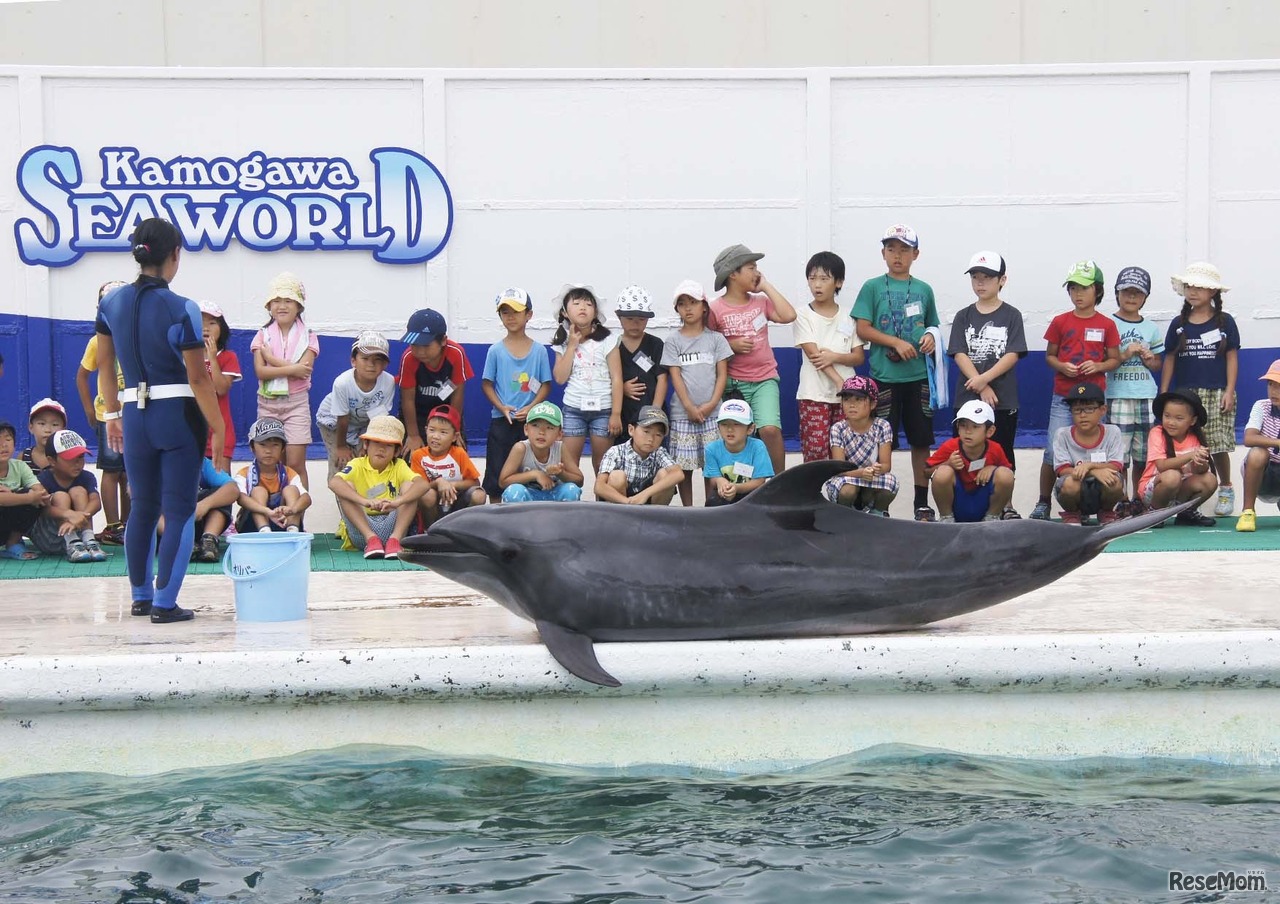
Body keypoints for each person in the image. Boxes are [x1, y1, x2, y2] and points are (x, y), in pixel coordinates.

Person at [97, 217, 226, 622]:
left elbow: (104, 368)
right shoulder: (181, 306)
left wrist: (112, 415)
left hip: (133, 415)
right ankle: (165, 603)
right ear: (175, 255)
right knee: (182, 509)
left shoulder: (110, 302)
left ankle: (140, 597)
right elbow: (197, 377)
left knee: (143, 509)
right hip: (177, 414)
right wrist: (218, 427)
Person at [852, 225, 941, 521]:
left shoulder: (924, 289)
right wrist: (895, 342)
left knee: (921, 441)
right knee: (880, 442)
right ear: (883, 254)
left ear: (916, 254)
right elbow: (863, 328)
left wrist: (929, 337)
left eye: (904, 249)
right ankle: (879, 503)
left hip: (918, 378)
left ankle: (921, 503)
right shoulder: (872, 287)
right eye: (891, 249)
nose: (897, 255)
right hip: (883, 378)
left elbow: (933, 328)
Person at [1032, 260, 1121, 521]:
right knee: (1051, 450)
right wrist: (1062, 366)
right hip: (1063, 397)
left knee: (1096, 449)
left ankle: (1101, 504)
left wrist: (1098, 365)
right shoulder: (1060, 321)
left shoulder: (1106, 324)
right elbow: (1050, 356)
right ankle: (1044, 502)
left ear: (1098, 291)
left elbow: (1114, 359)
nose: (1078, 294)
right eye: (1073, 288)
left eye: (1084, 288)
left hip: (1094, 399)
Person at [947, 251, 1026, 518]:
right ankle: (962, 504)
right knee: (965, 449)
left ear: (1002, 280)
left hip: (1002, 398)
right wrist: (980, 385)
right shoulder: (963, 316)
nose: (981, 283)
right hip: (968, 397)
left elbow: (1013, 353)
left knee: (1002, 452)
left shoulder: (1012, 315)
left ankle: (1006, 504)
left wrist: (987, 379)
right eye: (976, 277)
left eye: (988, 278)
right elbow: (959, 352)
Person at [708, 243, 797, 476]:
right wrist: (730, 346)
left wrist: (765, 286)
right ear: (733, 274)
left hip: (764, 379)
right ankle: (743, 484)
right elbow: (707, 345)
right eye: (751, 267)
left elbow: (789, 315)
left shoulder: (760, 302)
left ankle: (779, 483)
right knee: (736, 436)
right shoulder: (715, 309)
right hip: (732, 382)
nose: (757, 272)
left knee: (769, 429)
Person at [1160, 262, 1240, 518]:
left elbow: (1231, 357)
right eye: (1189, 286)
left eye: (1200, 287)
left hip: (1216, 392)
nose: (1193, 291)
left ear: (1213, 293)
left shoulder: (1225, 322)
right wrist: (1164, 392)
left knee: (1217, 445)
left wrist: (1229, 390)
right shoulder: (1178, 323)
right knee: (1185, 445)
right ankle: (1179, 494)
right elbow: (1170, 358)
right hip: (1187, 395)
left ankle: (1226, 487)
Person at [661, 280, 732, 507]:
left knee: (711, 466)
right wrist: (690, 407)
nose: (688, 308)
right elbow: (675, 376)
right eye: (682, 304)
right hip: (683, 415)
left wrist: (712, 404)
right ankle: (688, 510)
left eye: (693, 302)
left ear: (704, 307)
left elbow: (722, 375)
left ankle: (710, 508)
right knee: (685, 467)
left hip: (713, 414)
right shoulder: (673, 341)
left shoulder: (716, 339)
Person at [481, 288, 552, 502]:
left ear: (528, 315)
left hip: (530, 423)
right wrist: (502, 407)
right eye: (505, 312)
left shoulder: (539, 350)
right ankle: (496, 518)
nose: (510, 317)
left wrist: (531, 408)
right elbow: (487, 384)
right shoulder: (495, 350)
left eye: (516, 311)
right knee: (496, 475)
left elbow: (546, 386)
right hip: (502, 421)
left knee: (528, 472)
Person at [794, 251, 866, 463]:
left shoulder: (849, 315)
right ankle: (811, 495)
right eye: (812, 278)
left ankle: (842, 495)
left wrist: (835, 357)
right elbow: (814, 354)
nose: (817, 285)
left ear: (838, 282)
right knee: (816, 453)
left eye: (824, 279)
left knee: (845, 453)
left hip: (847, 397)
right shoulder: (802, 315)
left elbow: (858, 356)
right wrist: (838, 381)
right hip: (813, 394)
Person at [250, 271, 319, 489]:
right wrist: (291, 368)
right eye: (276, 301)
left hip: (296, 403)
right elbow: (261, 372)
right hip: (268, 404)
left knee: (296, 463)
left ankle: (298, 517)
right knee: (272, 463)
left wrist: (271, 359)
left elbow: (304, 371)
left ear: (299, 306)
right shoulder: (262, 334)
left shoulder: (309, 335)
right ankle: (273, 513)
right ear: (269, 307)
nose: (282, 306)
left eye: (288, 300)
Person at [1105, 267, 1164, 516]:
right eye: (1126, 292)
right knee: (1121, 452)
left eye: (1137, 294)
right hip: (1118, 394)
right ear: (1116, 294)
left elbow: (1157, 364)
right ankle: (1121, 498)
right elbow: (1106, 360)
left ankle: (1139, 497)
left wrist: (1149, 358)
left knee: (1143, 452)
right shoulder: (1108, 324)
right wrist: (1125, 354)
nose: (1131, 298)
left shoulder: (1151, 328)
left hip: (1146, 395)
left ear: (1145, 298)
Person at [76, 280, 130, 545]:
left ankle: (130, 524)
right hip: (107, 416)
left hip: (134, 414)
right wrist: (89, 408)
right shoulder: (97, 342)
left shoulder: (136, 338)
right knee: (111, 471)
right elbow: (82, 376)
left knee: (130, 472)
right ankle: (112, 525)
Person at [330, 415, 429, 559]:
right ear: (366, 444)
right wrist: (365, 501)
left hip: (393, 527)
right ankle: (372, 540)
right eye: (376, 442)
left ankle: (395, 541)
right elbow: (334, 483)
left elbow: (423, 485)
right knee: (345, 485)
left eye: (388, 445)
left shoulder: (399, 465)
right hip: (363, 530)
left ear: (396, 451)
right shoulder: (357, 464)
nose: (381, 449)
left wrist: (397, 502)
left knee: (410, 487)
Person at [552, 284, 617, 477]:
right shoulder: (562, 341)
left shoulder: (608, 339)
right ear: (564, 312)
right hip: (573, 409)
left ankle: (603, 505)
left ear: (595, 311)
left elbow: (617, 378)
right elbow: (560, 378)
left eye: (589, 304)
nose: (583, 307)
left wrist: (616, 413)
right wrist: (571, 345)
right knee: (569, 465)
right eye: (577, 303)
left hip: (603, 410)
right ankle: (571, 504)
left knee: (603, 465)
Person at [316, 330, 395, 482]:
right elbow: (342, 418)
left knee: (366, 458)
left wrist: (366, 445)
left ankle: (365, 501)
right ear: (353, 361)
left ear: (385, 364)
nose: (371, 365)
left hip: (364, 422)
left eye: (378, 360)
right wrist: (341, 447)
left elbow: (378, 419)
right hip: (333, 421)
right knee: (342, 463)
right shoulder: (342, 383)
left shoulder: (389, 382)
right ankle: (340, 492)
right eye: (365, 358)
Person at [397, 308, 474, 453]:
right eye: (414, 345)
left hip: (446, 409)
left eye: (426, 345)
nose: (420, 351)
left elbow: (457, 394)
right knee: (411, 455)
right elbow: (407, 399)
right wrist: (413, 435)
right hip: (416, 412)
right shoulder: (408, 358)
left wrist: (454, 428)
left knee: (456, 453)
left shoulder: (456, 353)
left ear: (443, 340)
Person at [926, 399, 1015, 523]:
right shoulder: (950, 447)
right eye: (963, 425)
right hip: (958, 503)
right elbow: (926, 472)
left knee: (1005, 475)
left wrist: (992, 468)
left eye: (975, 426)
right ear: (957, 427)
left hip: (983, 502)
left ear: (990, 431)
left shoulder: (995, 449)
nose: (968, 431)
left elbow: (1008, 475)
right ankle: (946, 518)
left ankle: (992, 517)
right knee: (943, 472)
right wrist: (948, 464)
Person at [820, 375, 899, 515]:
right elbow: (838, 468)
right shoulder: (838, 428)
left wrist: (876, 470)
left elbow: (886, 465)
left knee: (890, 484)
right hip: (847, 477)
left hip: (871, 476)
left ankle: (877, 514)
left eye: (858, 399)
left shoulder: (883, 426)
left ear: (873, 404)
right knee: (847, 490)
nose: (851, 404)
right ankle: (846, 516)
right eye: (846, 399)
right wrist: (861, 473)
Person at [1140, 389, 1219, 527]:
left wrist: (1200, 462)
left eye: (1179, 418)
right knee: (1172, 476)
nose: (1171, 422)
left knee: (1210, 479)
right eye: (1167, 416)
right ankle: (1154, 513)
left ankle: (1186, 512)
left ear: (1193, 420)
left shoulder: (1195, 438)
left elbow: (1200, 472)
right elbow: (1162, 466)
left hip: (1180, 489)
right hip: (1155, 490)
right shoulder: (1157, 433)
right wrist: (1190, 455)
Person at [1051, 384, 1125, 525]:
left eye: (1089, 409)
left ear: (1103, 410)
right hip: (1077, 487)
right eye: (1077, 410)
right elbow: (1062, 470)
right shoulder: (1062, 434)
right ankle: (1072, 514)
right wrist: (1095, 472)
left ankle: (1107, 512)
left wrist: (1089, 466)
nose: (1083, 415)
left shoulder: (1113, 432)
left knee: (1114, 482)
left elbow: (1116, 466)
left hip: (1101, 488)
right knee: (1069, 484)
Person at [29, 430, 106, 562]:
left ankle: (90, 541)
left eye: (81, 457)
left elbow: (96, 502)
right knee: (60, 496)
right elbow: (45, 510)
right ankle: (71, 543)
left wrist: (79, 517)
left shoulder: (86, 477)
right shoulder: (44, 478)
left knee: (79, 491)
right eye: (70, 458)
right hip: (51, 538)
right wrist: (70, 515)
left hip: (81, 535)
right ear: (51, 460)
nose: (78, 463)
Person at [410, 404, 487, 525]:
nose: (436, 436)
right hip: (434, 503)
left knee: (479, 495)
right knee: (427, 496)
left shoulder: (459, 453)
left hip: (456, 500)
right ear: (425, 430)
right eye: (432, 430)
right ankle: (429, 531)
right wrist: (439, 482)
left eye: (443, 432)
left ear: (454, 437)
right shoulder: (418, 455)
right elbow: (419, 487)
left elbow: (475, 482)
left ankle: (464, 528)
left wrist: (451, 485)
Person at [609, 285, 668, 439]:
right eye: (629, 319)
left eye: (641, 319)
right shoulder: (611, 345)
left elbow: (662, 378)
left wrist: (655, 411)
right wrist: (621, 388)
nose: (635, 324)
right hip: (623, 413)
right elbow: (604, 378)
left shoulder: (656, 344)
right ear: (618, 317)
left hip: (650, 409)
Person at [233, 418, 311, 534]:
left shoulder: (289, 473)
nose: (268, 450)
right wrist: (267, 511)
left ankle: (293, 531)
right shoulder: (244, 473)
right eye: (263, 445)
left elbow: (306, 498)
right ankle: (265, 532)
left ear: (283, 448)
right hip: (252, 526)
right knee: (258, 491)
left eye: (275, 445)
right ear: (252, 447)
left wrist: (291, 510)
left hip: (283, 521)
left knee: (291, 490)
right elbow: (241, 499)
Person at [594, 405, 683, 505]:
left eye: (658, 435)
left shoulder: (659, 452)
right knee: (616, 476)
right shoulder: (615, 452)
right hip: (621, 503)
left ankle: (655, 518)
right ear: (631, 430)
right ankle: (621, 518)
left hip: (649, 504)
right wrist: (629, 502)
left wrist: (644, 495)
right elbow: (599, 486)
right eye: (646, 431)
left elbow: (678, 473)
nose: (651, 439)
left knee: (665, 474)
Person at [499, 401, 584, 503]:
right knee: (513, 491)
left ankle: (562, 519)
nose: (542, 432)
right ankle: (521, 519)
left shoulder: (560, 448)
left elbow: (579, 480)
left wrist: (561, 473)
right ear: (526, 429)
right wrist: (535, 474)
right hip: (528, 496)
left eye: (549, 427)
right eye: (535, 425)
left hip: (553, 494)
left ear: (559, 434)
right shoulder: (521, 448)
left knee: (571, 490)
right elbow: (503, 482)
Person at [1236, 359, 1280, 532]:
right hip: (1264, 475)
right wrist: (1277, 442)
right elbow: (1249, 438)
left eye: (1279, 385)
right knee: (1258, 453)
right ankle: (1248, 512)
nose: (1273, 391)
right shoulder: (1261, 406)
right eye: (1270, 384)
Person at [703, 399, 773, 506]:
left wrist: (736, 488)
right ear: (718, 427)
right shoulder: (711, 449)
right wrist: (719, 481)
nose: (730, 429)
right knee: (712, 502)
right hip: (725, 494)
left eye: (736, 424)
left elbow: (759, 481)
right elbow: (712, 478)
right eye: (724, 424)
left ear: (750, 429)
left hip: (752, 493)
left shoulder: (757, 447)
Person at [198, 300, 241, 467]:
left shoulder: (228, 356)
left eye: (212, 322)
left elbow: (221, 388)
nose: (206, 327)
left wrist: (212, 358)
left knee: (222, 482)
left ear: (222, 328)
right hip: (194, 431)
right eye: (200, 322)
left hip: (221, 431)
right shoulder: (186, 357)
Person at [0, 419, 49, 560]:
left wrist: (14, 496)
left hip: (6, 524)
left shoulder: (19, 466)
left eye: (8, 439)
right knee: (28, 496)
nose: (3, 445)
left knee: (34, 500)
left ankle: (13, 543)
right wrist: (27, 497)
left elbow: (41, 493)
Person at [190, 458, 239, 563]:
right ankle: (182, 541)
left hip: (198, 518)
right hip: (169, 527)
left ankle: (209, 540)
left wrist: (205, 505)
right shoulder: (156, 463)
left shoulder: (202, 463)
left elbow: (232, 489)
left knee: (222, 493)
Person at [21, 398, 66, 471]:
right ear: (31, 427)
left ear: (63, 430)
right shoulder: (23, 457)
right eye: (42, 423)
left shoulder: (67, 458)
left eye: (55, 424)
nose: (48, 430)